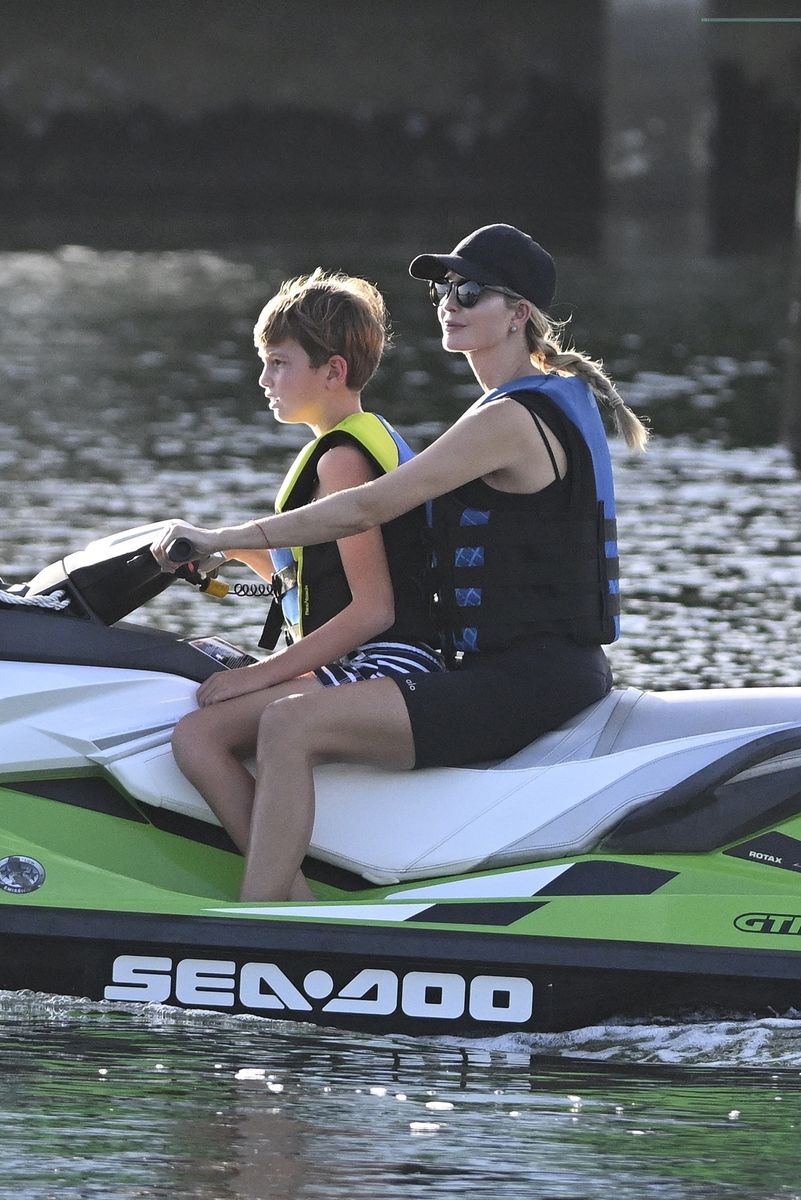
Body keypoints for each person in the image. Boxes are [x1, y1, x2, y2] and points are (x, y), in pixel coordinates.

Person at [153, 224, 649, 903]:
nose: (450, 301)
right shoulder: (527, 400)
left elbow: (364, 509)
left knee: (288, 724)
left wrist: (216, 536)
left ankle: (265, 918)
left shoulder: (509, 417)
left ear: (519, 315)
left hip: (532, 678)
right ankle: (290, 903)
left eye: (471, 291)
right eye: (444, 288)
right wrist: (235, 565)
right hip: (516, 668)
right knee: (275, 717)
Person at [167, 269, 442, 896]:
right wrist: (232, 555)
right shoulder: (355, 442)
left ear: (334, 371)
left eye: (278, 363)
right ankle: (286, 891)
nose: (264, 380)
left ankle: (281, 899)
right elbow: (312, 582)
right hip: (367, 651)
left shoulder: (344, 461)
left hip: (390, 660)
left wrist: (258, 675)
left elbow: (372, 609)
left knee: (200, 735)